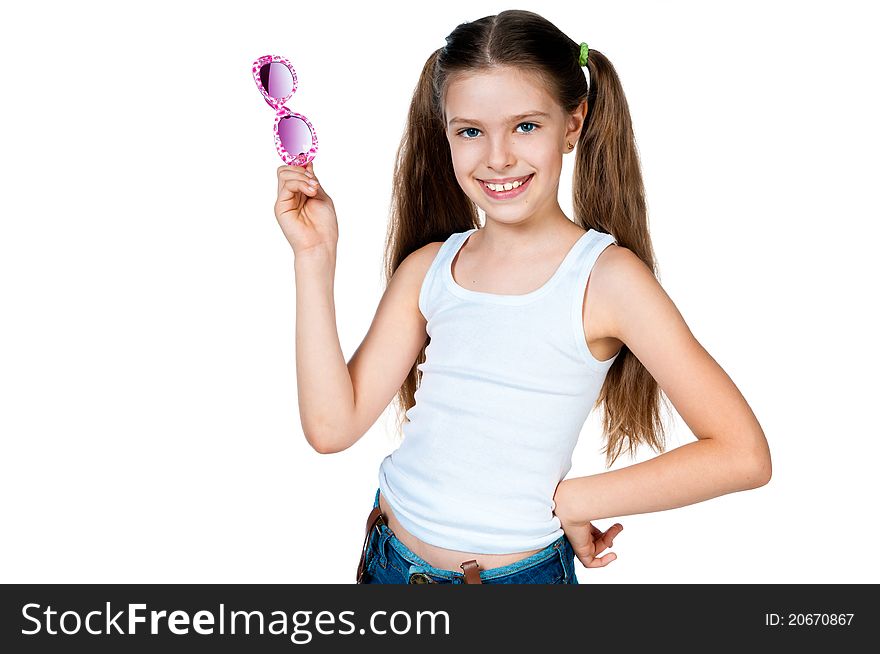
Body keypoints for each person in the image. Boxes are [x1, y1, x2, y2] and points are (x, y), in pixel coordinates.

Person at [275, 9, 772, 584]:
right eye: (470, 131)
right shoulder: (429, 269)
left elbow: (742, 454)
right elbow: (331, 428)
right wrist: (314, 257)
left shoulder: (606, 279)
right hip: (388, 562)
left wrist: (576, 500)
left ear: (573, 123)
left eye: (526, 126)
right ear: (447, 134)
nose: (498, 157)